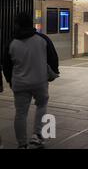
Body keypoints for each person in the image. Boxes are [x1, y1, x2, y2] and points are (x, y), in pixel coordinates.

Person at [2, 12, 59, 149]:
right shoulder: (42, 39)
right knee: (41, 105)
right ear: (31, 23)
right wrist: (53, 73)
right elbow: (53, 58)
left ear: (17, 25)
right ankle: (37, 135)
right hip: (40, 82)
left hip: (20, 83)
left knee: (21, 113)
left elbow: (6, 65)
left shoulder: (12, 43)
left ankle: (22, 144)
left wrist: (10, 81)